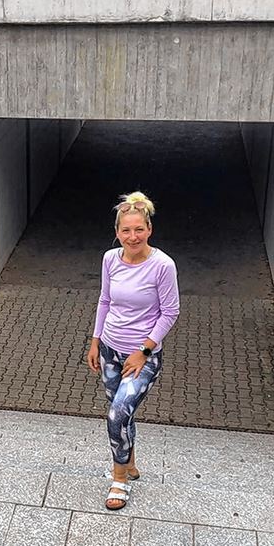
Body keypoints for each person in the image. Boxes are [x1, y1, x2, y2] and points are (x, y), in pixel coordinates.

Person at [86, 191, 180, 510]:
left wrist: (144, 351)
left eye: (139, 229)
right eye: (126, 230)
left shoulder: (162, 265)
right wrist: (95, 340)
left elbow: (170, 312)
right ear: (117, 232)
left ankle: (119, 480)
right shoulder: (110, 259)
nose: (133, 236)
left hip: (142, 357)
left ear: (149, 229)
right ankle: (131, 463)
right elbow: (105, 300)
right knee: (121, 411)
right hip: (109, 350)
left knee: (117, 414)